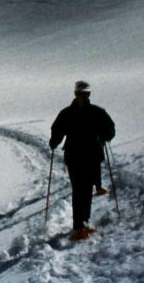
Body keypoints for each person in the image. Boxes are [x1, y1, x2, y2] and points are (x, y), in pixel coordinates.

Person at [49, 80, 115, 241]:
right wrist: (54, 141)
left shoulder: (68, 113)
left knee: (84, 190)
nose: (83, 97)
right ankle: (80, 225)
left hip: (82, 155)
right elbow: (57, 130)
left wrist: (54, 142)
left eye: (85, 94)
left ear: (88, 94)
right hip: (80, 156)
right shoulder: (95, 112)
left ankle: (83, 223)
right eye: (81, 94)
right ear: (76, 94)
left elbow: (110, 129)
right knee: (81, 190)